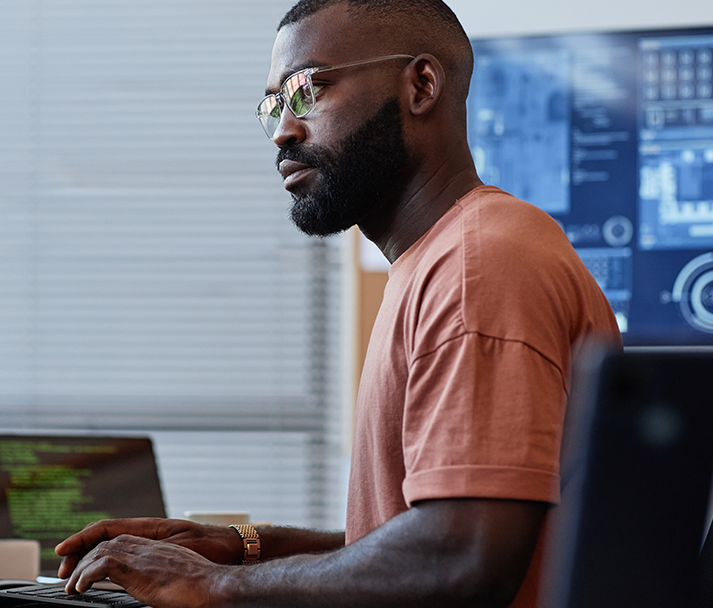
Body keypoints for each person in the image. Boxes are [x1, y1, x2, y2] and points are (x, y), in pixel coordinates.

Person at [55, 1, 621, 607]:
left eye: (309, 90)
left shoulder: (477, 267)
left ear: (421, 86)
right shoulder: (443, 259)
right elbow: (406, 542)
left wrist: (213, 587)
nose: (283, 130)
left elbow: (462, 558)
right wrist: (236, 546)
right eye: (274, 104)